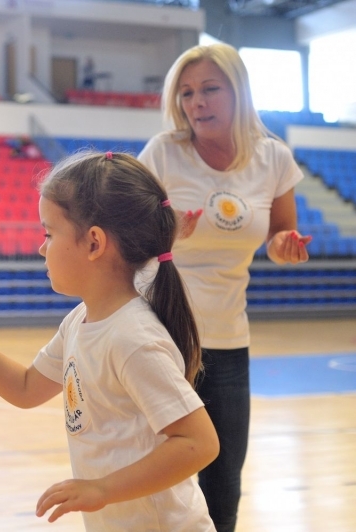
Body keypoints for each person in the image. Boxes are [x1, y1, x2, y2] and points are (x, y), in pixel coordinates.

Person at [0, 152, 219, 531]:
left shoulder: (133, 339)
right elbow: (25, 388)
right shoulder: (79, 321)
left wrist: (102, 489)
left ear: (94, 243)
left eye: (49, 234)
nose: (41, 248)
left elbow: (198, 442)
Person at [137, 43, 310, 532]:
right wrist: (168, 231)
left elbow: (280, 237)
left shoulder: (274, 158)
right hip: (162, 336)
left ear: (239, 91)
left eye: (210, 89)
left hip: (229, 339)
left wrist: (286, 247)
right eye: (187, 93)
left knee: (224, 484)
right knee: (159, 480)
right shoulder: (163, 152)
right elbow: (128, 234)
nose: (197, 103)